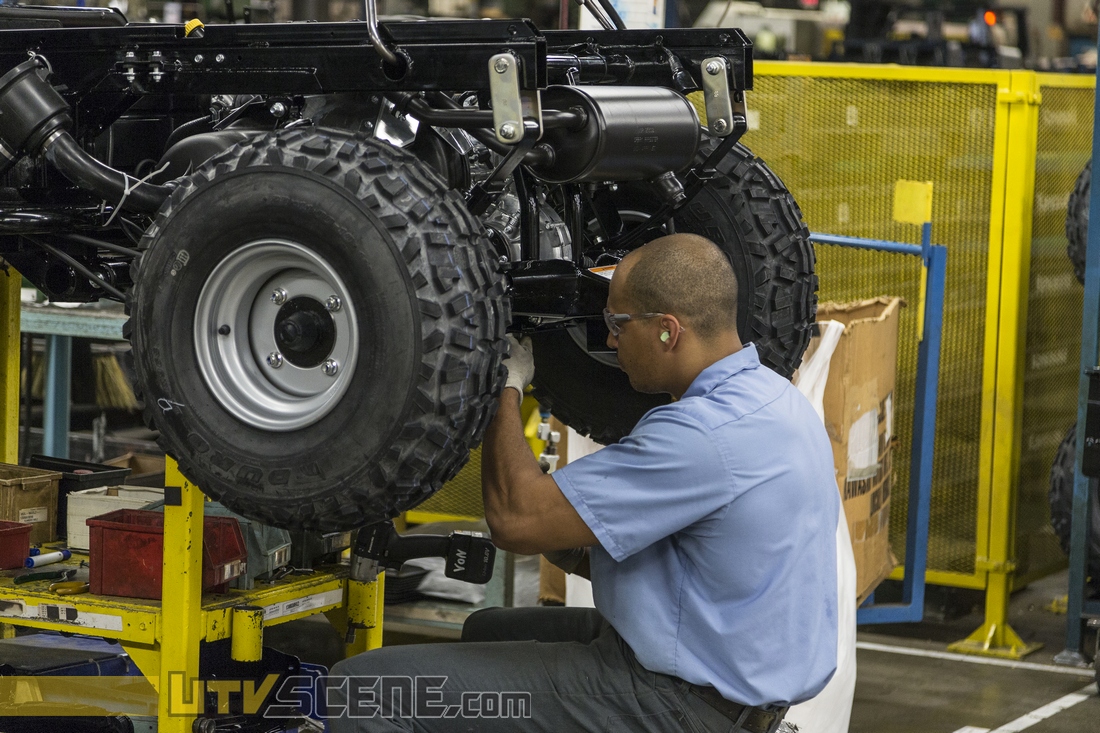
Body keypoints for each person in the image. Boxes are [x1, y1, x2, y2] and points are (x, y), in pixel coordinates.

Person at [328, 233, 840, 732]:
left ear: (668, 330)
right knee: (487, 629)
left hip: (681, 708)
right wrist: (571, 528)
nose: (610, 339)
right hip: (729, 676)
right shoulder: (773, 399)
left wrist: (503, 385)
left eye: (617, 323)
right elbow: (710, 570)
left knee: (360, 690)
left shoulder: (703, 436)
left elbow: (515, 520)